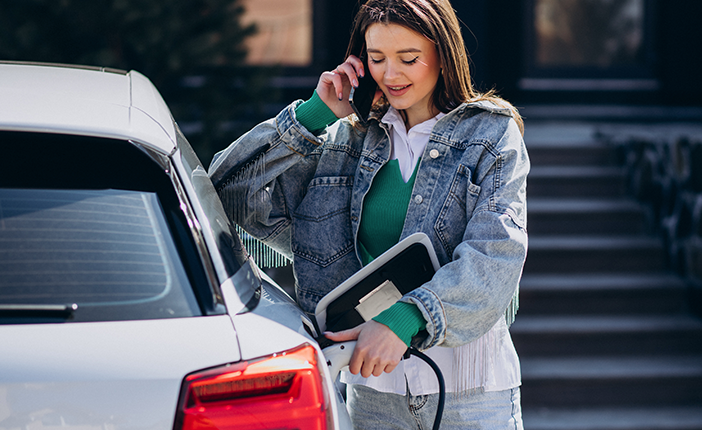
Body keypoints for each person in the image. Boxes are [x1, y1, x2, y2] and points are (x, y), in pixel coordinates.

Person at [208, 0, 528, 428]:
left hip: (470, 393)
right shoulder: (343, 143)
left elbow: (497, 251)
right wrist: (312, 116)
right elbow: (223, 194)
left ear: (443, 55)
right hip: (372, 396)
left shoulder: (490, 135)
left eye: (408, 58)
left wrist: (407, 318)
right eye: (376, 59)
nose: (390, 75)